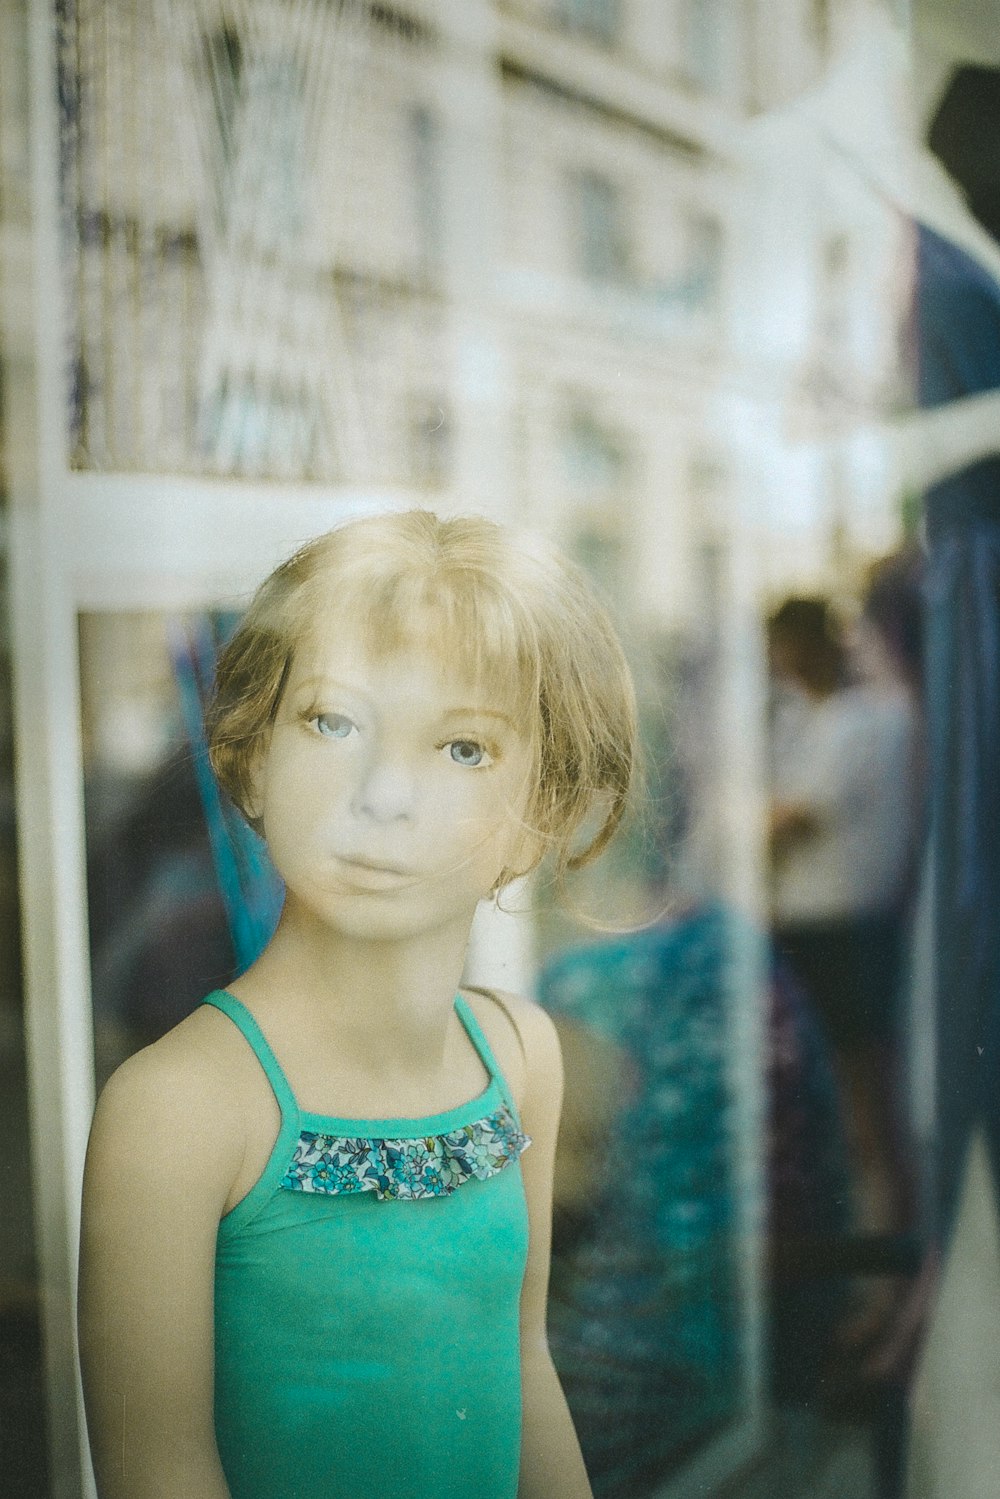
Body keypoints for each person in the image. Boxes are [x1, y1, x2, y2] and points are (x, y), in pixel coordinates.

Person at [77, 509, 639, 1499]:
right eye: (332, 721)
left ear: (536, 817)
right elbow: (158, 1468)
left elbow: (521, 1365)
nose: (384, 793)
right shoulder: (180, 1107)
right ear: (251, 752)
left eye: (462, 747)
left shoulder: (521, 1058)